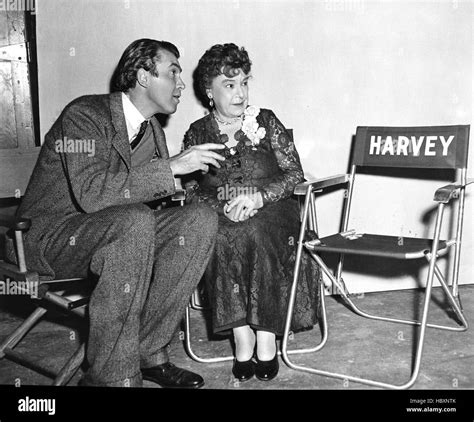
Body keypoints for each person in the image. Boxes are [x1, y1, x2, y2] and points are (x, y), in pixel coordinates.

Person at [6, 38, 227, 388]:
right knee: (133, 222)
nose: (182, 85)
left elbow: (145, 196)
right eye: (173, 74)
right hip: (48, 238)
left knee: (198, 220)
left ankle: (147, 352)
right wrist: (171, 168)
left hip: (113, 231)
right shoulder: (84, 115)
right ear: (142, 76)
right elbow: (93, 194)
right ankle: (112, 378)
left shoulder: (151, 127)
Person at [182, 43, 321, 382]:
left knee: (256, 231)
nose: (240, 92)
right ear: (208, 91)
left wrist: (259, 197)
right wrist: (223, 206)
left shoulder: (267, 120)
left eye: (244, 82)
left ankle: (266, 336)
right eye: (230, 85)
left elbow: (294, 175)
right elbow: (192, 189)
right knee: (222, 232)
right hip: (223, 210)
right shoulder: (197, 133)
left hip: (273, 209)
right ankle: (241, 334)